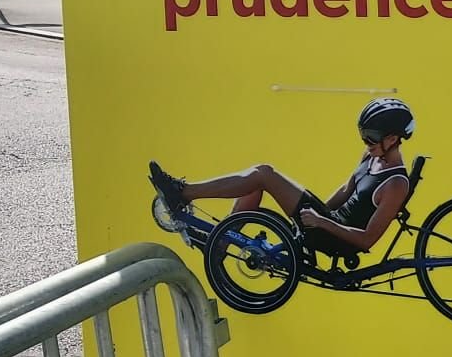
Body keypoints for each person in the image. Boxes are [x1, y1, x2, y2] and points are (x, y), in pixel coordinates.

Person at [150, 98, 418, 259]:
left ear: (393, 139)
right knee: (258, 177)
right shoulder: (371, 156)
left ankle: (182, 193)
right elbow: (347, 189)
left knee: (263, 174)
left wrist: (320, 221)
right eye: (363, 135)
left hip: (337, 238)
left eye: (370, 137)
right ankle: (220, 243)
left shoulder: (395, 184)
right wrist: (316, 211)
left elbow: (366, 240)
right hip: (325, 221)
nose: (365, 142)